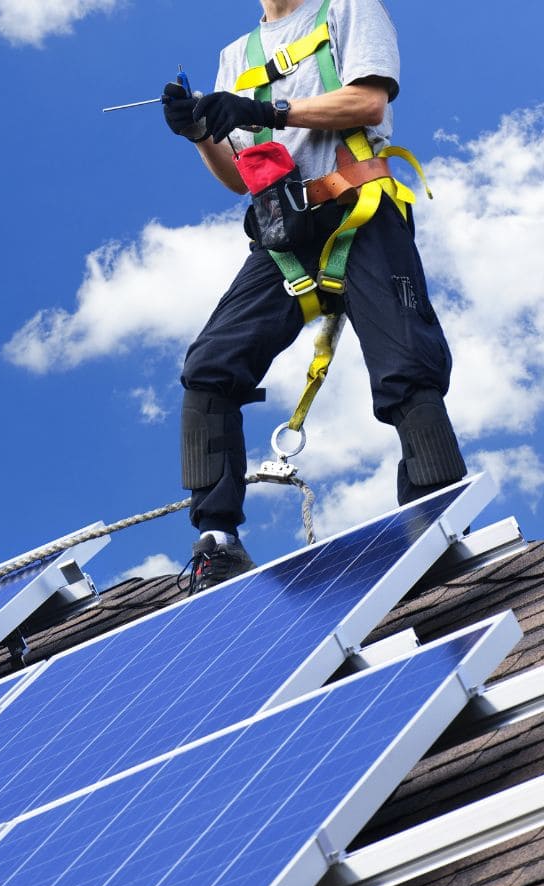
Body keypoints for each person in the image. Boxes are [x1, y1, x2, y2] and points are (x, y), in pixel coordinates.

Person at [163, 0, 466, 594]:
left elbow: (369, 101)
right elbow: (236, 175)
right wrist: (202, 133)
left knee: (407, 365)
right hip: (282, 233)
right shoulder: (236, 57)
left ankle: (436, 518)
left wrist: (267, 109)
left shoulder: (347, 9)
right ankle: (217, 543)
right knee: (209, 368)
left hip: (358, 207)